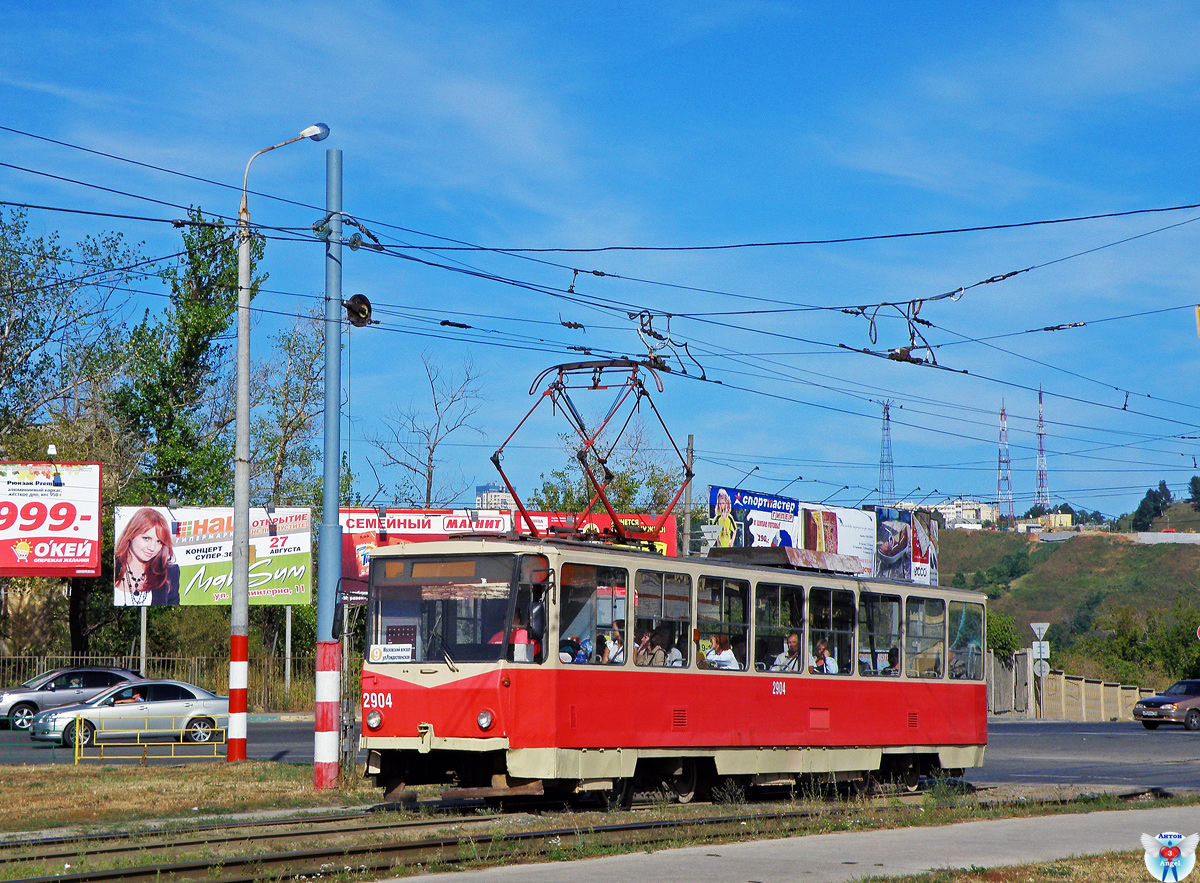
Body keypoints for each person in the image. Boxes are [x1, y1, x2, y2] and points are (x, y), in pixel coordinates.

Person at [113, 508, 180, 607]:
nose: (152, 548)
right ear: (131, 534)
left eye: (159, 542)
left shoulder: (169, 573)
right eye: (146, 538)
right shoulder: (112, 567)